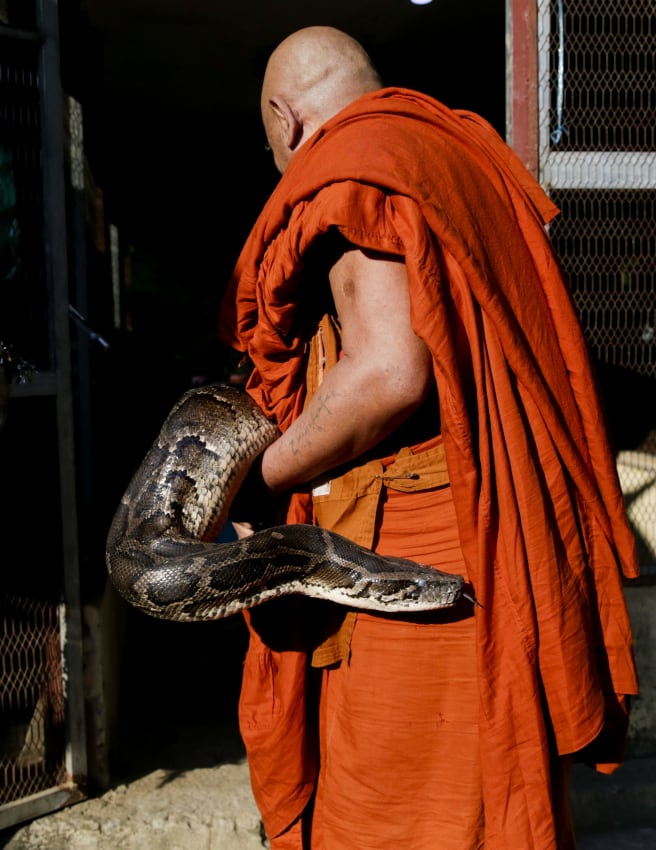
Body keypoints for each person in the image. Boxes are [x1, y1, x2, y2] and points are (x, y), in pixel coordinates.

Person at [218, 25, 639, 850]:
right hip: (484, 534)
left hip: (410, 554)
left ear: (285, 117)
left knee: (397, 815)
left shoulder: (356, 171)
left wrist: (256, 477)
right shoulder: (452, 154)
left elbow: (387, 374)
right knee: (476, 794)